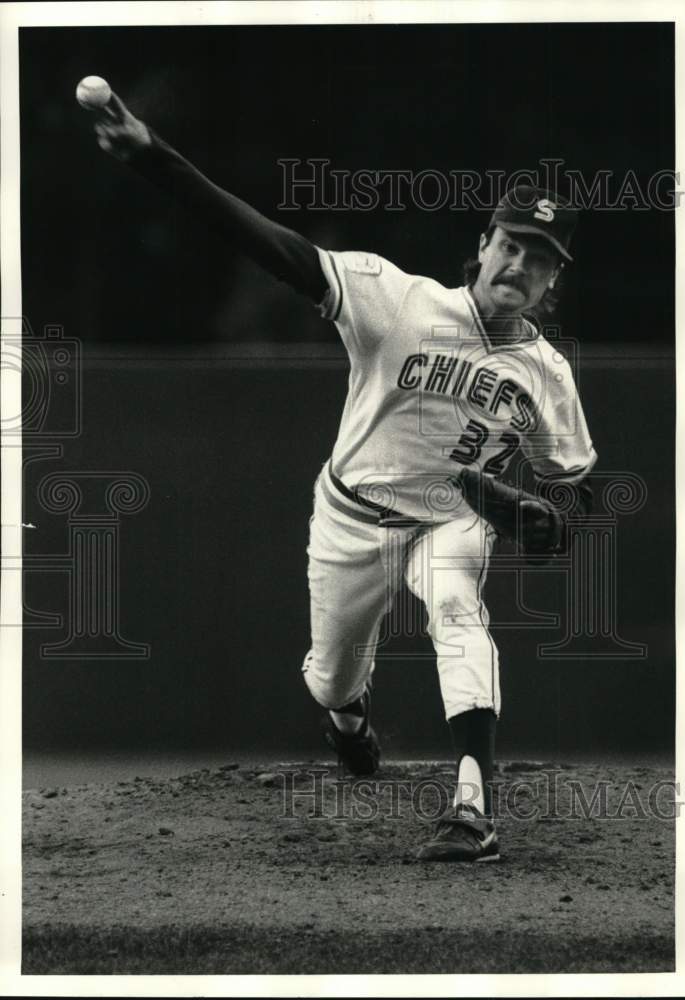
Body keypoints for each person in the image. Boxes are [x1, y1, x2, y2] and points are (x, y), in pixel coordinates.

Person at [90, 92, 597, 863]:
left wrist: (550, 515)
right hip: (350, 517)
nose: (522, 266)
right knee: (329, 677)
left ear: (553, 284)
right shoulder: (397, 301)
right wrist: (156, 156)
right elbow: (273, 247)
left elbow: (573, 484)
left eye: (542, 260)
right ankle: (350, 718)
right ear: (485, 242)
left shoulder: (546, 374)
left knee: (459, 614)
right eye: (515, 245)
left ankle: (474, 808)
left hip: (447, 519)